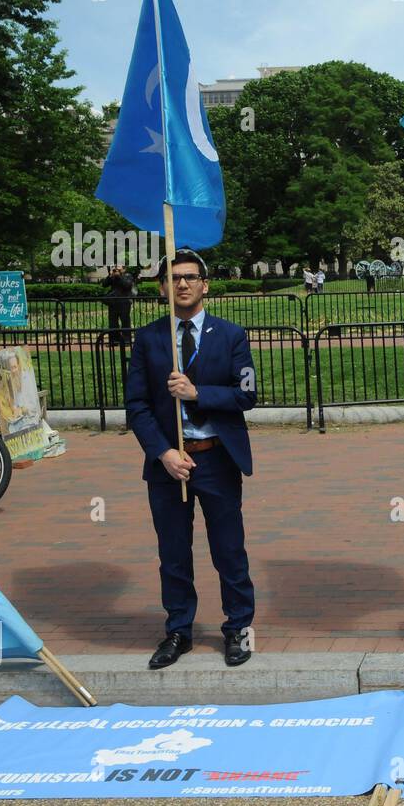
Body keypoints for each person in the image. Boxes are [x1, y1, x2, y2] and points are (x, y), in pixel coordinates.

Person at [125, 249, 259, 670]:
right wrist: (163, 452)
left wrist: (198, 392)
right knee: (174, 553)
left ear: (205, 284)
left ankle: (238, 628)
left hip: (216, 459)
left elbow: (247, 394)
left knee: (228, 549)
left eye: (190, 277)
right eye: (173, 278)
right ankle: (178, 630)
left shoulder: (231, 335)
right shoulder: (149, 339)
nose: (181, 284)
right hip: (169, 465)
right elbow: (137, 405)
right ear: (162, 288)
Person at [102, 265, 136, 347]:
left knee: (125, 321)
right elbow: (104, 284)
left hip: (124, 302)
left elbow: (127, 285)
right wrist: (110, 275)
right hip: (113, 303)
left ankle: (126, 340)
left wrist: (119, 277)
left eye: (118, 268)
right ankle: (114, 341)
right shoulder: (113, 276)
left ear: (124, 269)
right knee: (112, 322)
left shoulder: (128, 276)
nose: (116, 269)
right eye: (115, 268)